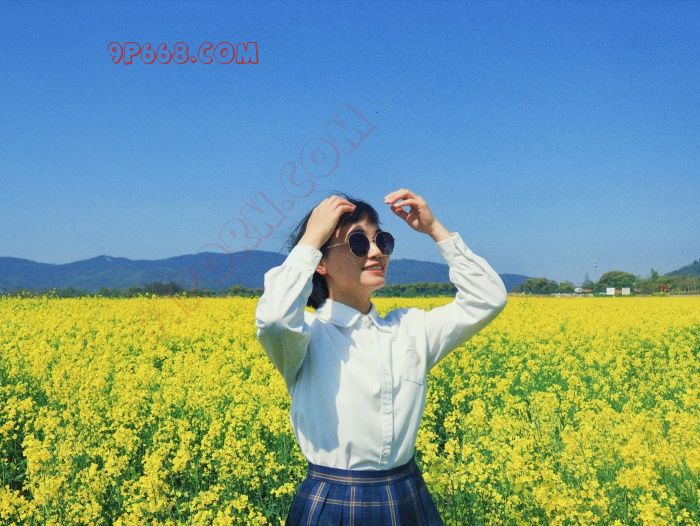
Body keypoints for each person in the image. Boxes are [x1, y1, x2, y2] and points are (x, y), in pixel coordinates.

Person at [255, 189, 508, 525]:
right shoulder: (307, 337)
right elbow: (274, 318)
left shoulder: (411, 329)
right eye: (358, 243)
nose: (376, 252)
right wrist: (311, 239)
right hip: (332, 502)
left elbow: (488, 298)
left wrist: (435, 229)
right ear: (321, 263)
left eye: (382, 241)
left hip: (407, 492)